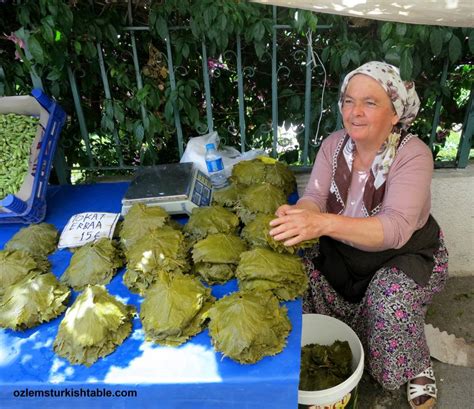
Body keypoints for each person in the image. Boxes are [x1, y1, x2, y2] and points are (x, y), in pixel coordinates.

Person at [269, 61, 448, 409]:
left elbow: (395, 229)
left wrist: (321, 225)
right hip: (345, 251)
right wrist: (299, 216)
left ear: (394, 113)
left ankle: (415, 359)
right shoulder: (334, 146)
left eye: (370, 102)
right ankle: (344, 336)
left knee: (391, 300)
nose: (355, 112)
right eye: (349, 101)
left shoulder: (413, 154)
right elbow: (315, 198)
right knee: (290, 268)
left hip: (403, 254)